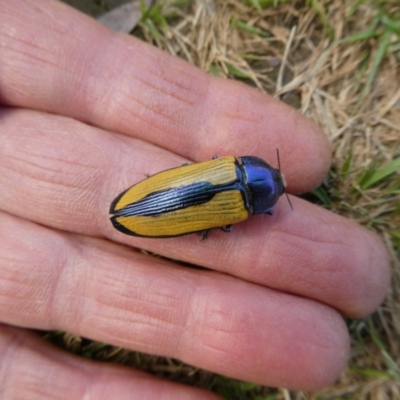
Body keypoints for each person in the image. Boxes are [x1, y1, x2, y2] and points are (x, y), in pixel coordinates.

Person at [0, 0, 390, 398]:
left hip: (153, 199)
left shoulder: (227, 168)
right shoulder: (239, 211)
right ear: (260, 203)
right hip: (152, 208)